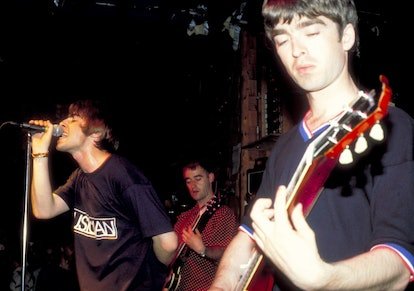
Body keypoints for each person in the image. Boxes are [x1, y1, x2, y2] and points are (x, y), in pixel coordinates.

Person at [209, 0, 414, 290]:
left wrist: (325, 279)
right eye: (282, 40)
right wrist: (222, 284)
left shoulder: (393, 127)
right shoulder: (284, 147)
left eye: (312, 32)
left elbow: (399, 264)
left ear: (347, 36)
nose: (296, 51)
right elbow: (249, 234)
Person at [29, 99, 178, 291]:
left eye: (74, 118)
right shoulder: (79, 178)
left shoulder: (123, 175)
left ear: (96, 133)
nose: (63, 122)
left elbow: (168, 243)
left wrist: (154, 277)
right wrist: (39, 153)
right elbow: (43, 210)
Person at [164, 160, 238, 291]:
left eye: (198, 178)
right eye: (188, 181)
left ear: (210, 177)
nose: (193, 185)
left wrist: (203, 250)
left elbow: (229, 255)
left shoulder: (224, 214)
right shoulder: (184, 217)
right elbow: (172, 252)